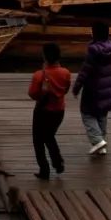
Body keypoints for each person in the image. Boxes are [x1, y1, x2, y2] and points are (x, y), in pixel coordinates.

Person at [72, 22, 111, 156]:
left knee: (87, 114)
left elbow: (85, 71)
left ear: (95, 33)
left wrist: (77, 87)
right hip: (108, 88)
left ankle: (97, 140)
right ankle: (101, 145)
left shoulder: (93, 50)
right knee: (102, 115)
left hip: (93, 89)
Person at [28, 43, 71, 180]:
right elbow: (66, 90)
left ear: (44, 56)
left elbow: (33, 94)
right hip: (59, 111)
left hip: (42, 111)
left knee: (38, 141)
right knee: (49, 136)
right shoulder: (66, 73)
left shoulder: (39, 75)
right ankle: (58, 163)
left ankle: (44, 169)